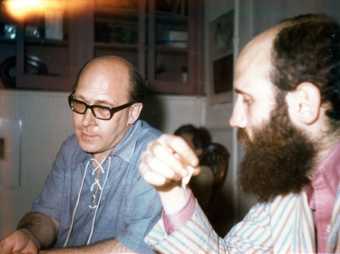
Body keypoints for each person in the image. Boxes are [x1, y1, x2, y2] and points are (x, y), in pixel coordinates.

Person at [140, 13, 340, 253]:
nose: (235, 119)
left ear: (304, 103)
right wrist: (171, 190)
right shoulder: (289, 188)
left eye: (247, 100)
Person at [0, 56, 162, 254]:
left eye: (103, 108)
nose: (86, 121)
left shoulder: (155, 157)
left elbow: (137, 249)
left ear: (133, 112)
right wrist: (30, 235)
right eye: (79, 103)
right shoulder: (71, 148)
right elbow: (49, 215)